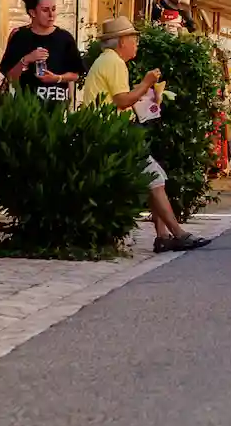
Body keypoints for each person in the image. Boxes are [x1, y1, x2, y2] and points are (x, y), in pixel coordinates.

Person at [84, 17, 210, 253]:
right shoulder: (114, 62)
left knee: (155, 178)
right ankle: (177, 234)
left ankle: (163, 236)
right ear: (121, 41)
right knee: (156, 178)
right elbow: (122, 100)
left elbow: (117, 98)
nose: (136, 43)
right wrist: (146, 82)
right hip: (114, 134)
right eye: (133, 38)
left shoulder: (109, 61)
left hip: (111, 131)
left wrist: (146, 95)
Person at [0, 0, 85, 106]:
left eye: (53, 9)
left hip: (56, 112)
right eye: (45, 10)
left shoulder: (65, 38)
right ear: (32, 12)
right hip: (25, 110)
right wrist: (26, 60)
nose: (51, 15)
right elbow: (8, 76)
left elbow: (75, 74)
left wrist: (57, 78)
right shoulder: (20, 37)